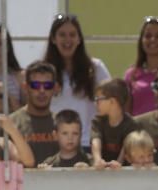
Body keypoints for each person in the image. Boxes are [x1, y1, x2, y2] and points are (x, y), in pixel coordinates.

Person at [44, 14, 110, 149]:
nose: (67, 40)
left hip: (87, 144)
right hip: (54, 145)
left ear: (79, 39)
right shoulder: (44, 71)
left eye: (72, 35)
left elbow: (110, 101)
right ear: (53, 39)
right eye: (62, 34)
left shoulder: (95, 67)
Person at [8, 61, 60, 166]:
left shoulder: (63, 124)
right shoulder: (10, 124)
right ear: (25, 87)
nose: (41, 90)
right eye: (35, 85)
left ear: (55, 88)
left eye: (47, 85)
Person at [90, 78, 137, 168]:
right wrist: (98, 160)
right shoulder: (98, 121)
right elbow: (96, 140)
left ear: (112, 101)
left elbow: (126, 148)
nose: (96, 103)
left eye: (99, 99)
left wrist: (118, 163)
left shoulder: (131, 124)